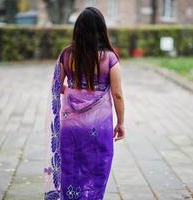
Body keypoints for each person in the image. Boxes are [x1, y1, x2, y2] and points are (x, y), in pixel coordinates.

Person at [44, 6, 125, 200]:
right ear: (101, 29)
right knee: (97, 167)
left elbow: (56, 86)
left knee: (70, 167)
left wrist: (72, 91)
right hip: (99, 126)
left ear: (77, 29)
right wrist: (121, 123)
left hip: (70, 125)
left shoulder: (66, 55)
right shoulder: (110, 58)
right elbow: (117, 95)